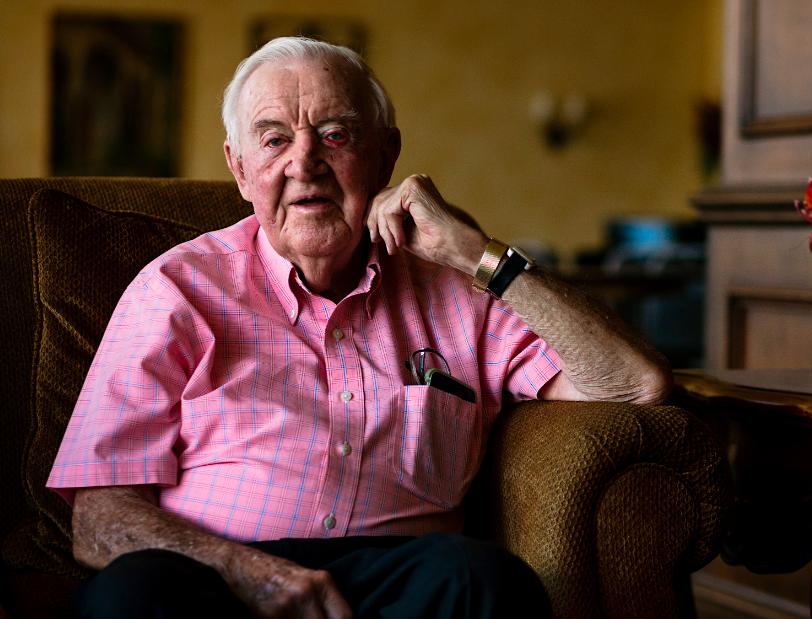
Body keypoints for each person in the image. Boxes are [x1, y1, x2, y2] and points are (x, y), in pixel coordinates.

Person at [47, 36, 671, 618]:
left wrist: (475, 253)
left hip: (395, 583)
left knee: (483, 580)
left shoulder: (459, 289)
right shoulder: (177, 289)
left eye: (336, 134)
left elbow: (635, 385)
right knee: (131, 593)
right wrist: (250, 573)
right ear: (240, 170)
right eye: (273, 141)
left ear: (385, 156)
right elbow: (101, 518)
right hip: (216, 582)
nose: (305, 163)